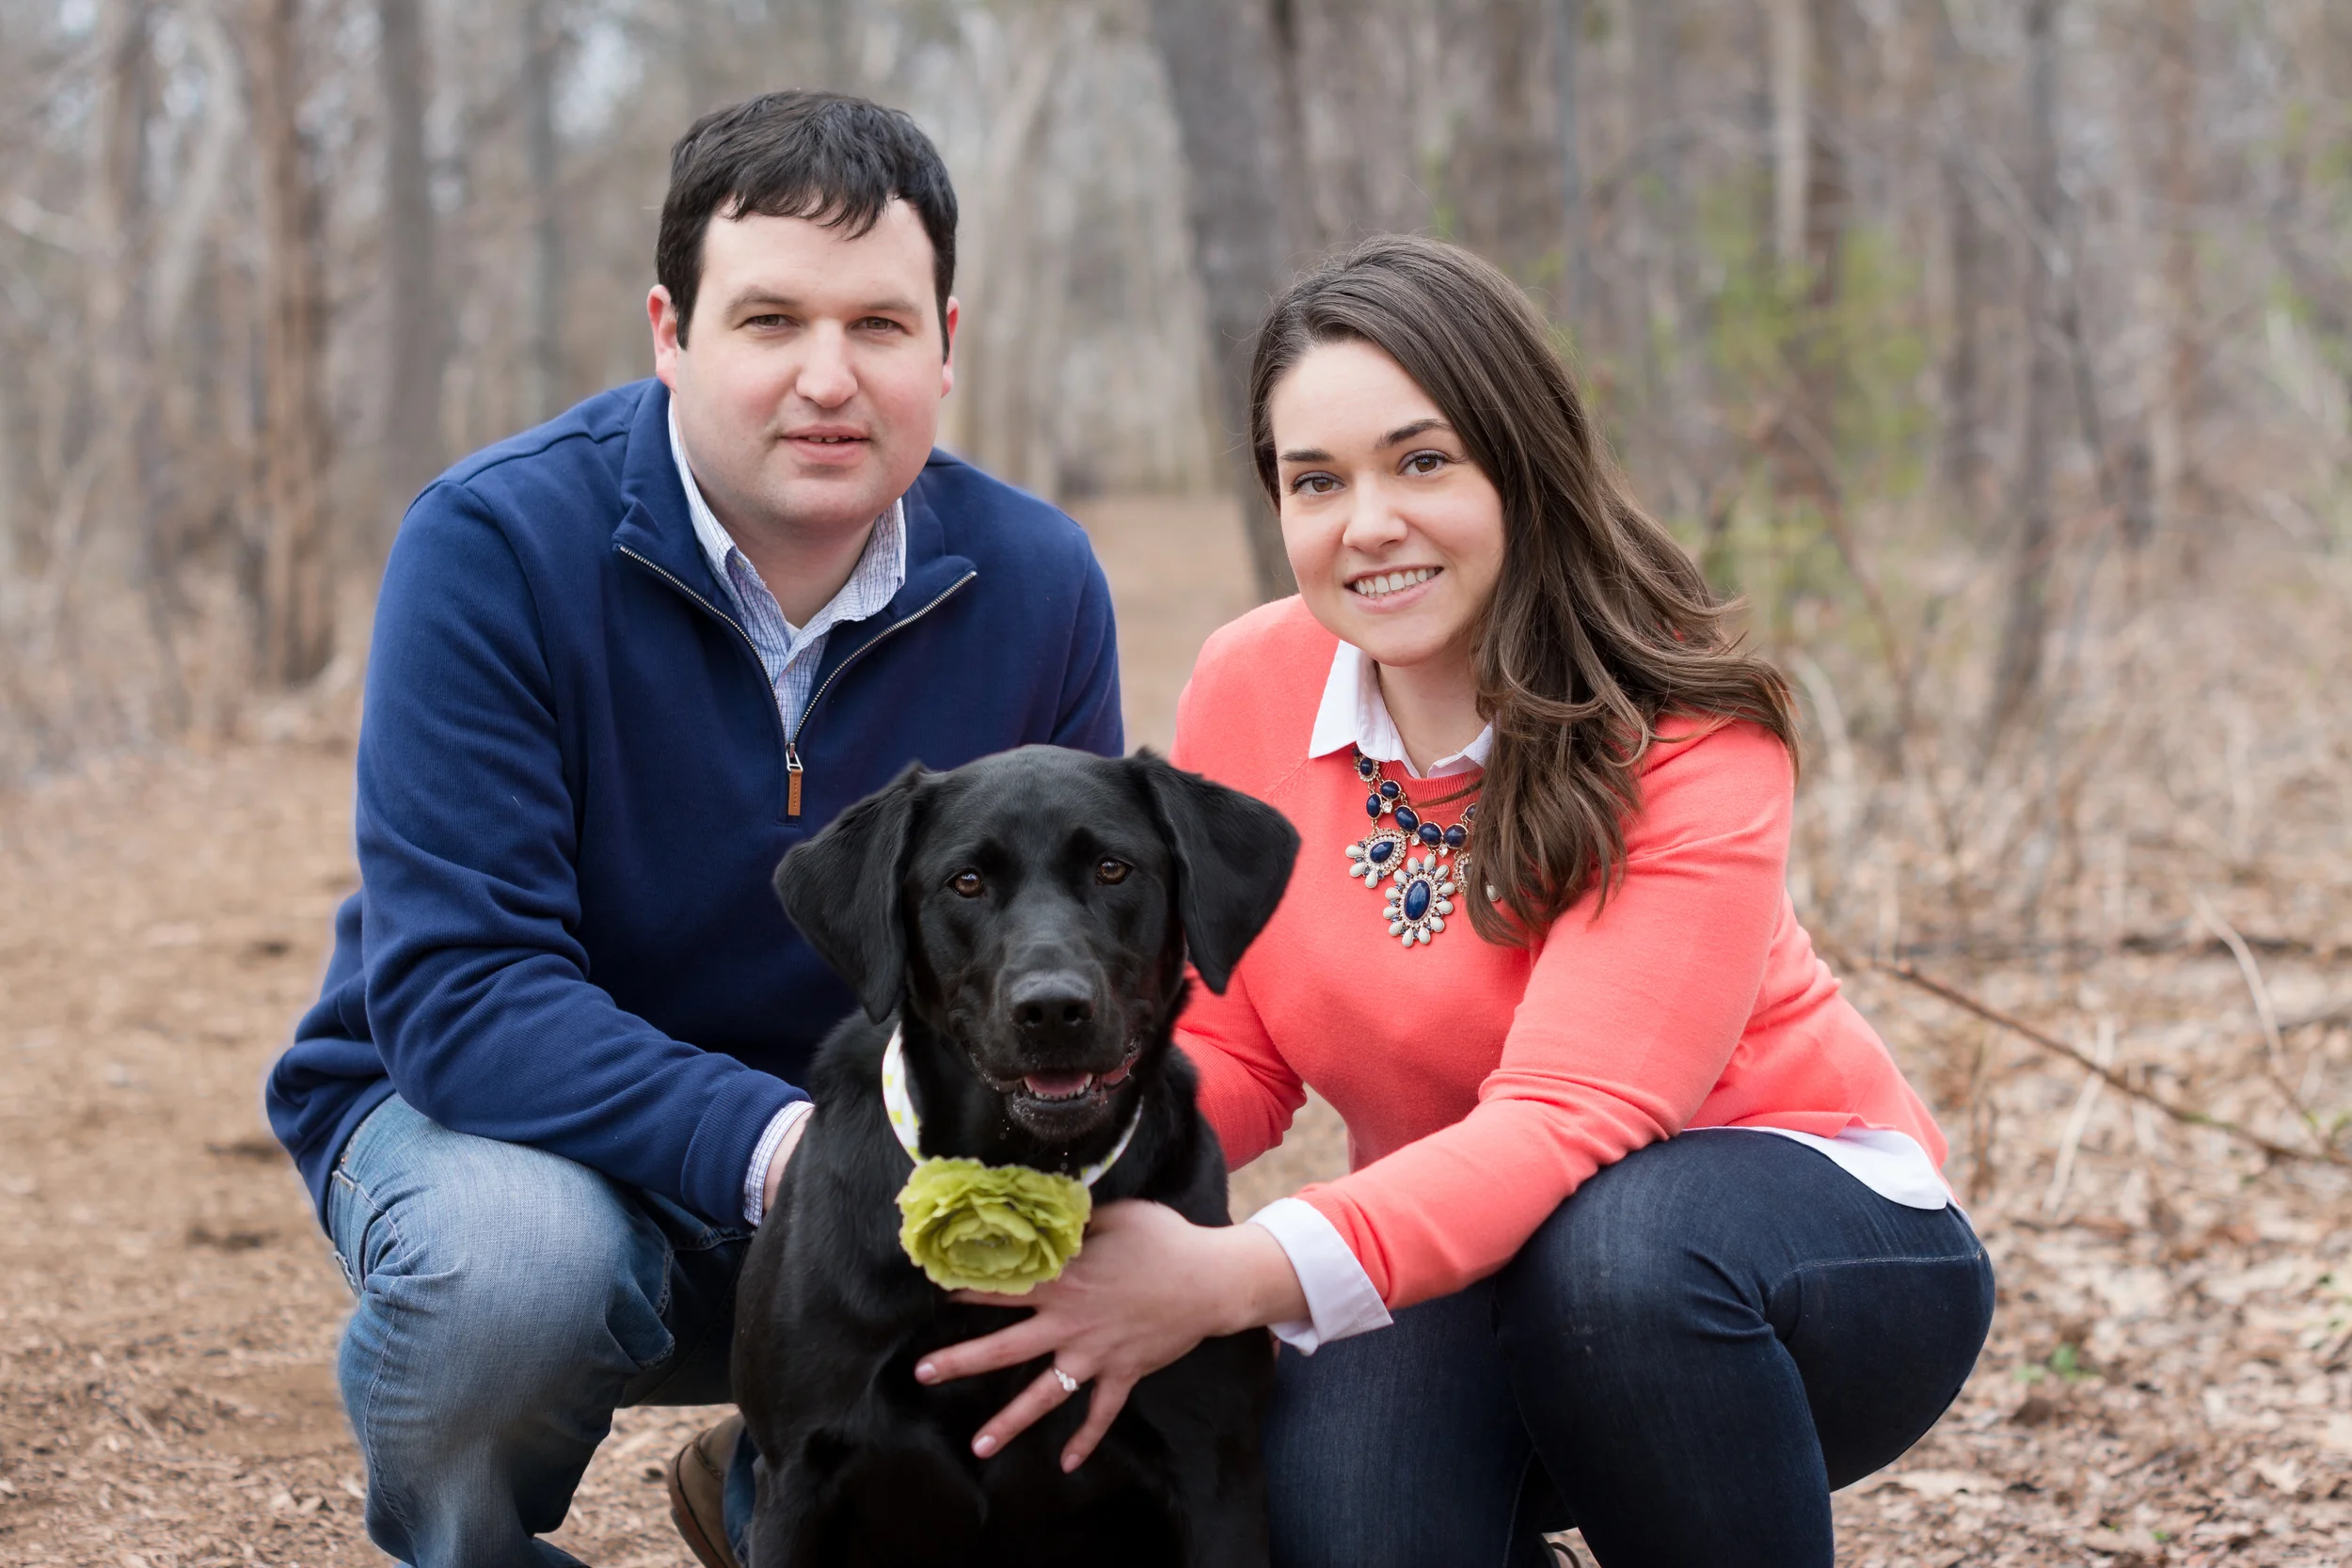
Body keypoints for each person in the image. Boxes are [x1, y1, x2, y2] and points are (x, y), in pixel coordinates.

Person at [906, 235, 1994, 1568]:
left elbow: (1571, 1117)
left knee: (1621, 1257)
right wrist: (1027, 1162)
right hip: (1476, 1261)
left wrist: (1219, 1275)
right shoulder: (1250, 684)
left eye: (1423, 461)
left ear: (1521, 464)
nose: (1368, 522)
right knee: (1336, 1485)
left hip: (1797, 1269)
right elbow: (1232, 1045)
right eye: (1318, 481)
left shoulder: (1686, 737)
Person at [263, 91, 1121, 1568]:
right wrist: (792, 1143)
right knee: (518, 1267)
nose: (828, 380)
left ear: (948, 343)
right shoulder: (494, 547)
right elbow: (462, 991)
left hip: (883, 1162)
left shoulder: (1036, 580)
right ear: (671, 331)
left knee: (1074, 1253)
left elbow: (1079, 956)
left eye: (881, 325)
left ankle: (781, 1476)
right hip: (508, 1138)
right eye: (770, 320)